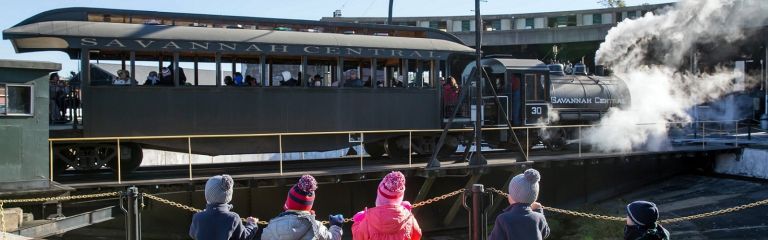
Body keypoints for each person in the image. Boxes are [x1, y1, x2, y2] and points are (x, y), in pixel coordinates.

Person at [261, 174, 343, 240]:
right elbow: (332, 237)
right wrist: (336, 225)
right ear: (309, 205)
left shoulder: (271, 227)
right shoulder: (316, 227)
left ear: (288, 202)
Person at [352, 171, 421, 240]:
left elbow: (357, 237)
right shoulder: (409, 219)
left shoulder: (367, 221)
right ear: (400, 199)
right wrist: (406, 212)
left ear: (378, 198)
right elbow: (417, 235)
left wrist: (358, 221)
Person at [189, 175, 258, 240]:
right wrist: (252, 224)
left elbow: (192, 235)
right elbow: (244, 237)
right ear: (229, 196)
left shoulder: (198, 217)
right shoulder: (233, 217)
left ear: (207, 195)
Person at [488, 169, 550, 240]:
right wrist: (539, 211)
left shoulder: (503, 219)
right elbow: (545, 233)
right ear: (534, 198)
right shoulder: (539, 217)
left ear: (511, 197)